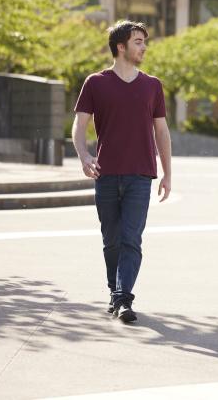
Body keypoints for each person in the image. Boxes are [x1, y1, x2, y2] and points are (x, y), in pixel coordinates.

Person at [72, 20, 172, 323]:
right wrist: (84, 155)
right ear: (121, 46)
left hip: (140, 175)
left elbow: (162, 132)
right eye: (138, 41)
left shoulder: (152, 85)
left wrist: (167, 172)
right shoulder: (95, 83)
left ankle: (123, 298)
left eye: (144, 41)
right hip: (106, 174)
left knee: (131, 239)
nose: (143, 47)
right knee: (111, 240)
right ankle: (115, 291)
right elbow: (79, 126)